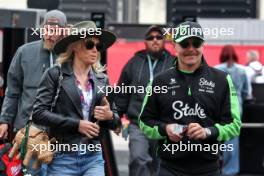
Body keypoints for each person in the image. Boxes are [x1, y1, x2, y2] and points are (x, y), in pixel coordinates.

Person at [139, 21, 241, 176]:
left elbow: (234, 125)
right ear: (175, 46)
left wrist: (208, 132)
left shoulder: (222, 79)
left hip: (209, 168)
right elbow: (144, 121)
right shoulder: (159, 81)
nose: (191, 49)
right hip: (170, 167)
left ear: (203, 45)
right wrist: (165, 129)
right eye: (185, 44)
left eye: (196, 43)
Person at [32, 21, 120, 176]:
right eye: (89, 44)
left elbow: (116, 122)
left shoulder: (102, 80)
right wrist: (76, 125)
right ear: (75, 46)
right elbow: (38, 113)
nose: (95, 50)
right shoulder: (55, 75)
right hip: (62, 159)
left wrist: (109, 116)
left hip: (93, 158)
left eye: (98, 46)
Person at [0, 9, 68, 175]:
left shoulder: (71, 55)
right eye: (47, 29)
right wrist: (4, 120)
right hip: (29, 130)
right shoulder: (24, 52)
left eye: (55, 30)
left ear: (64, 32)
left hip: (62, 132)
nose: (50, 35)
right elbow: (13, 90)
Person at [115, 25, 175, 176]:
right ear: (145, 42)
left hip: (164, 125)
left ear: (164, 41)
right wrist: (116, 117)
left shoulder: (174, 63)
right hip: (138, 123)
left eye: (159, 37)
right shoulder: (134, 62)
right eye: (150, 38)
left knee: (160, 164)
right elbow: (123, 91)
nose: (155, 40)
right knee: (138, 158)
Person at [215, 45, 250, 176]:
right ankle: (230, 171)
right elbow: (247, 92)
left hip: (219, 107)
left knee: (216, 136)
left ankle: (216, 166)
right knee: (233, 140)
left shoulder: (217, 69)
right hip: (236, 108)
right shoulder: (242, 70)